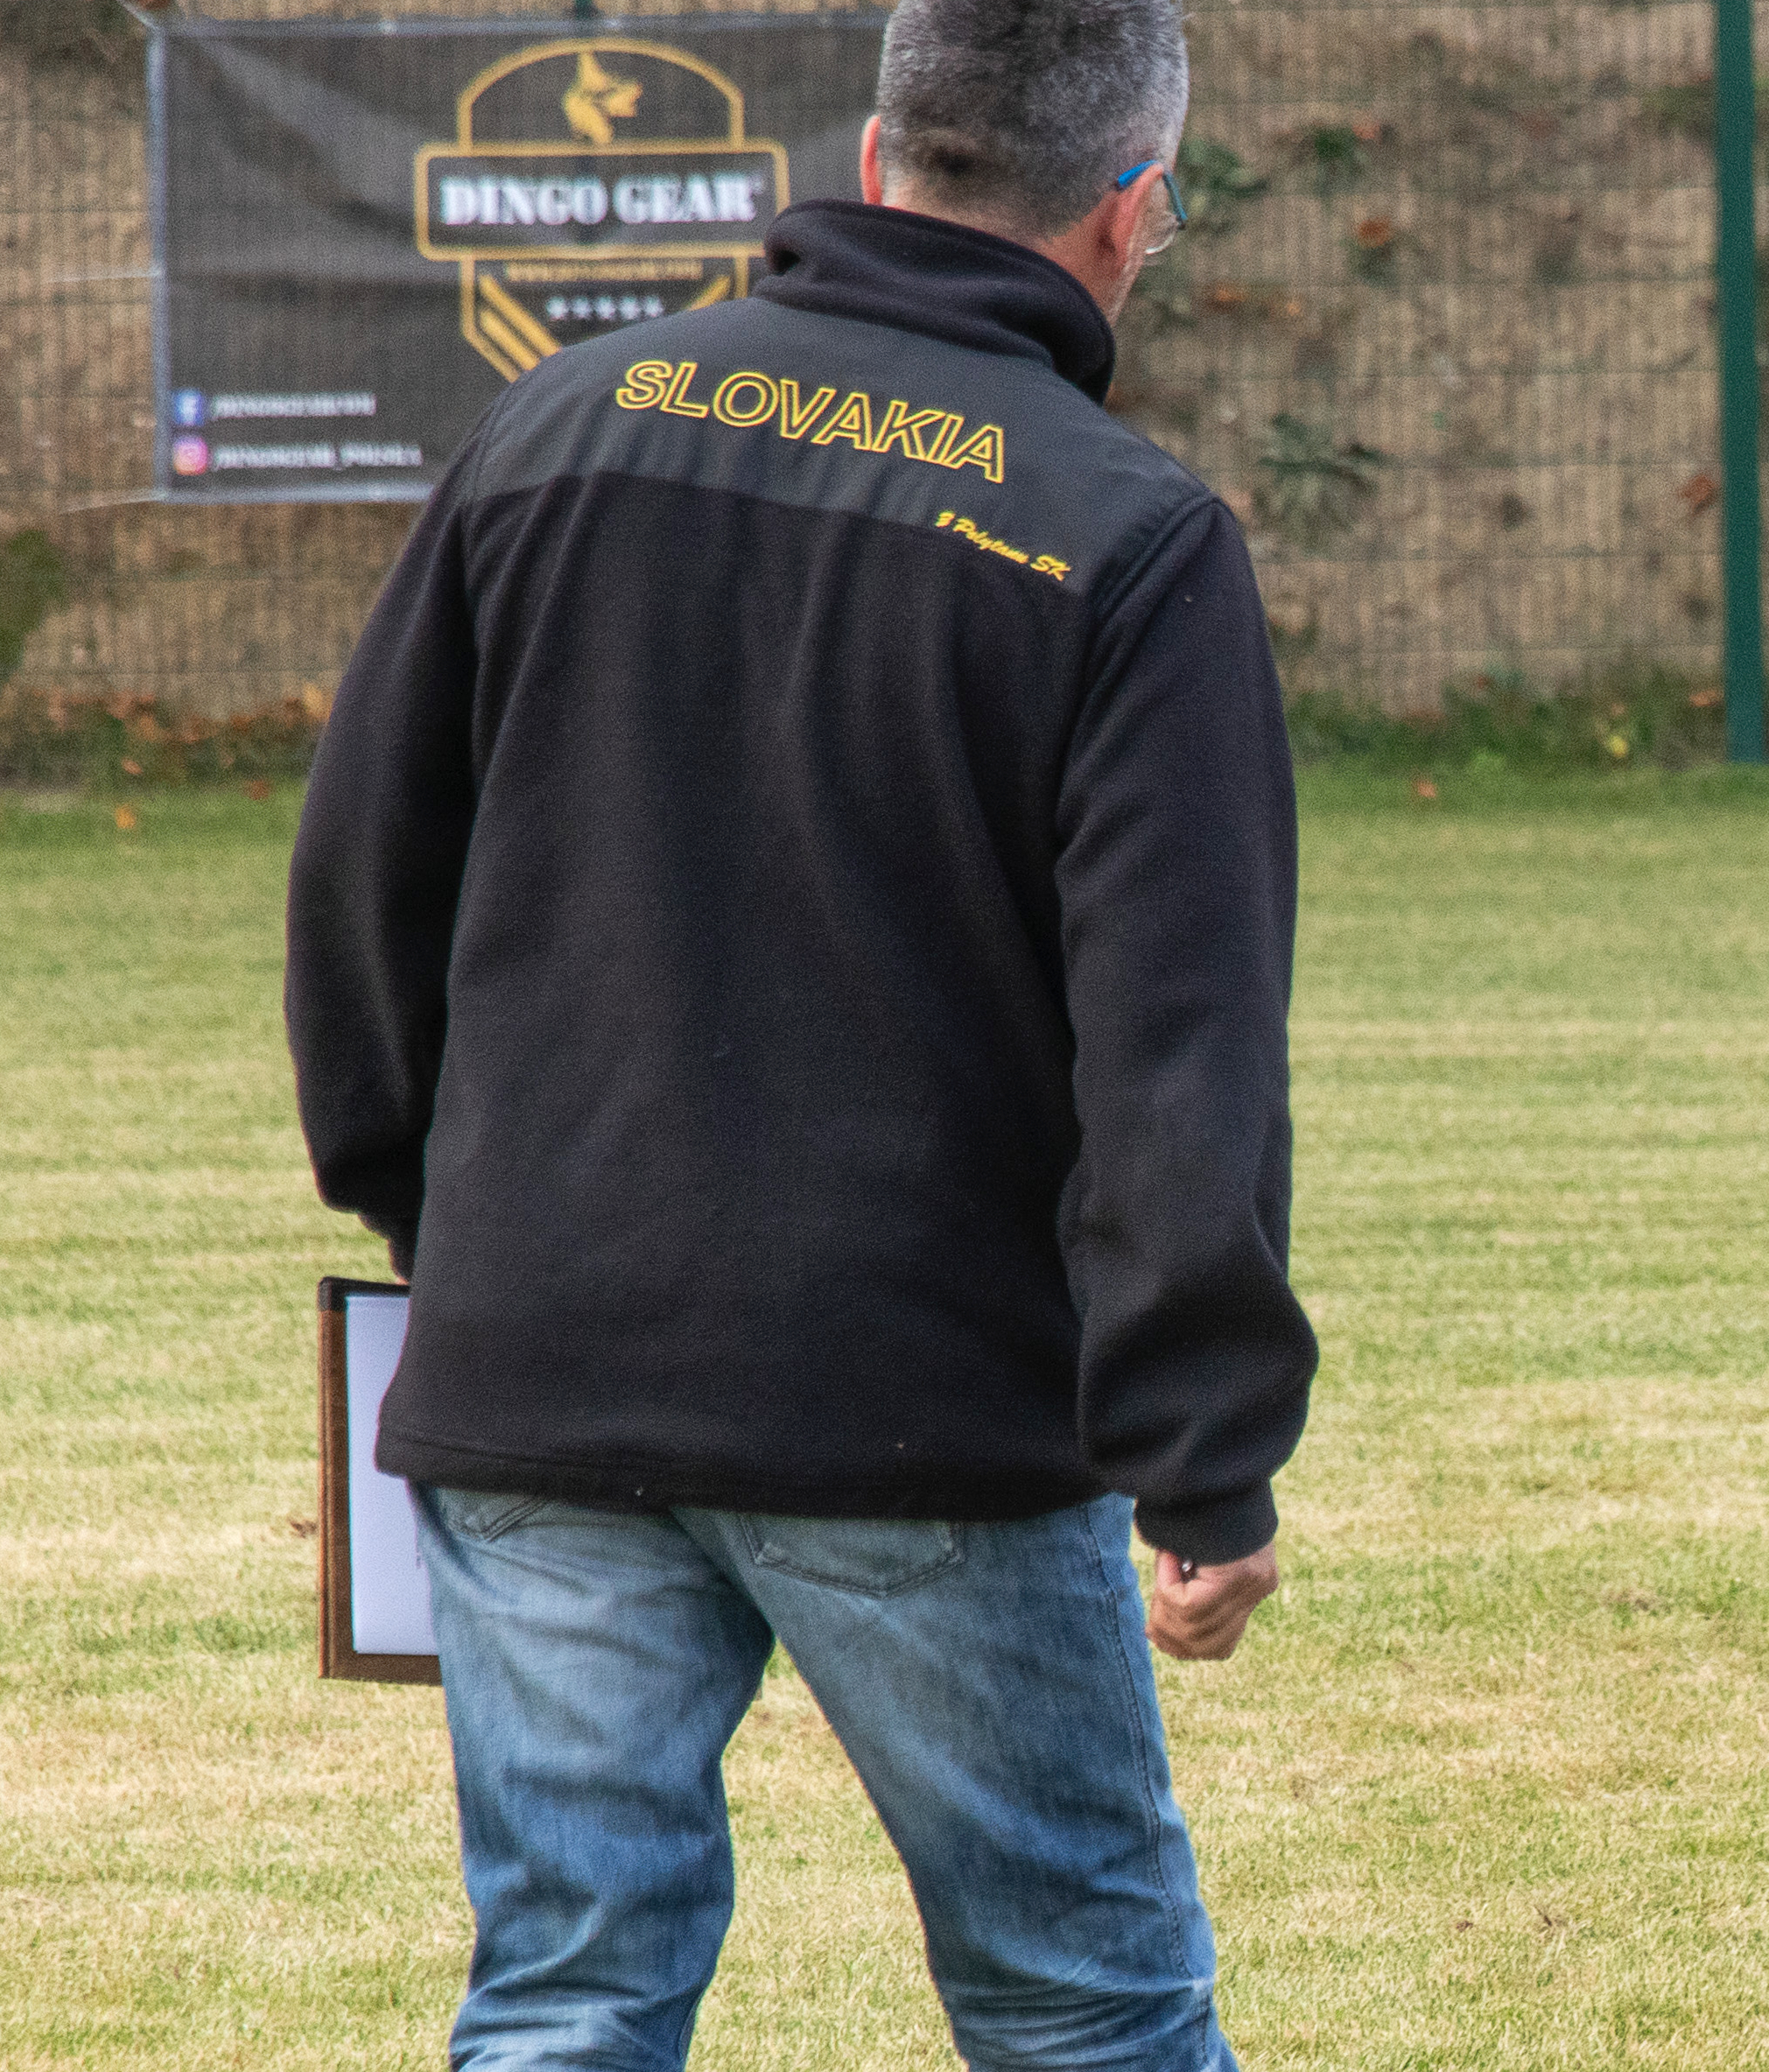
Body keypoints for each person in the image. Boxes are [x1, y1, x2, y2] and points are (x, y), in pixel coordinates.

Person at [284, 0, 1310, 2063]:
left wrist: (457, 1241)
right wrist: (1207, 1454)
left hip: (536, 1357)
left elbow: (359, 897)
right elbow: (1176, 1048)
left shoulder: (553, 425)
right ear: (1129, 212)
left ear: (874, 147)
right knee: (1083, 1997)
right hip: (917, 1399)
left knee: (568, 1986)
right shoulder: (1127, 534)